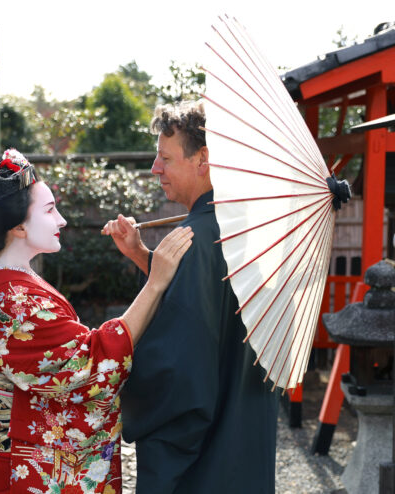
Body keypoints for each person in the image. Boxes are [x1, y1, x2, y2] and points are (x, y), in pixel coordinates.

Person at [0, 148, 193, 494]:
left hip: (0, 466)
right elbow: (93, 364)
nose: (62, 221)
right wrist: (156, 282)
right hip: (19, 471)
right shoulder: (12, 300)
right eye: (50, 209)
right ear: (18, 228)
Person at [102, 101, 279, 493]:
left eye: (165, 157)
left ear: (203, 159)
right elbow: (212, 296)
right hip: (245, 427)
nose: (155, 168)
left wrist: (125, 391)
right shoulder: (244, 229)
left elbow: (177, 373)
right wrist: (141, 256)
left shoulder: (192, 240)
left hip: (206, 457)